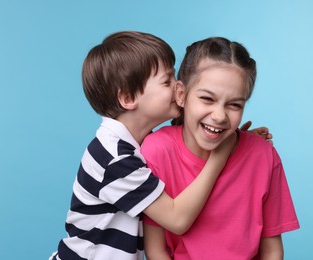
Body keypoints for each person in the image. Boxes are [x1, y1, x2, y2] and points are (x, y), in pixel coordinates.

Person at [49, 31, 247, 260]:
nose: (178, 86)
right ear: (128, 99)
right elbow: (177, 219)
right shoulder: (114, 158)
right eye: (167, 81)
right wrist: (220, 155)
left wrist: (238, 139)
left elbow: (188, 137)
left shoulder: (136, 143)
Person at [142, 37, 300, 259]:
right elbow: (156, 250)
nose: (219, 116)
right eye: (207, 99)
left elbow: (272, 251)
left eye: (234, 105)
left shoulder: (263, 156)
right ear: (181, 94)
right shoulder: (157, 152)